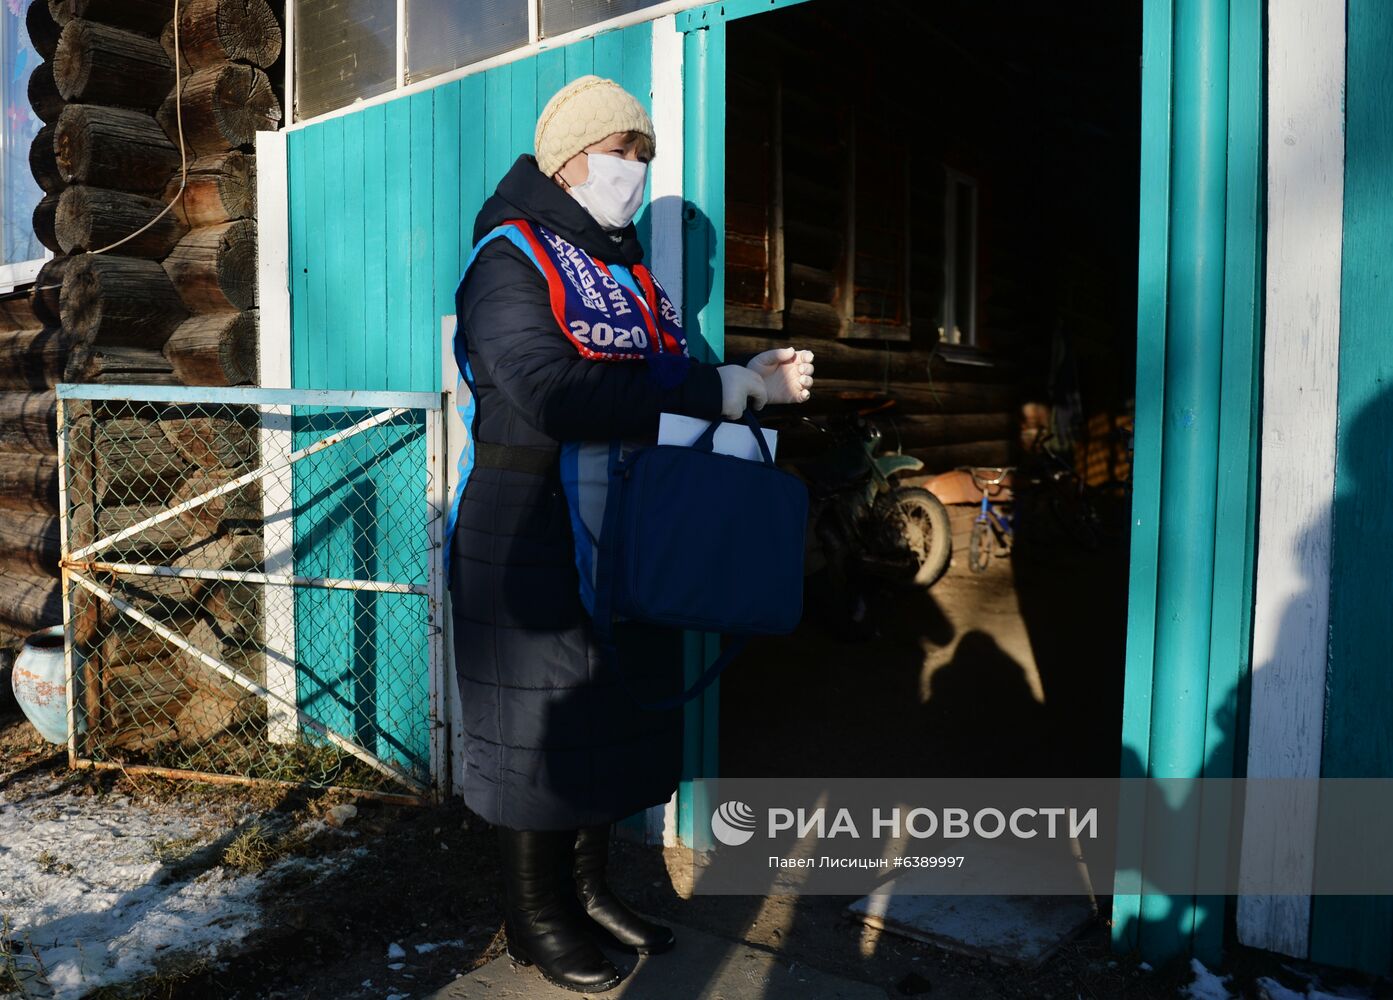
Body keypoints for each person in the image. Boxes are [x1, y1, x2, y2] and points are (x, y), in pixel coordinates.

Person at [449, 75, 815, 994]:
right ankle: (534, 917)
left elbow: (667, 382)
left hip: (621, 525)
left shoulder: (629, 277)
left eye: (643, 154)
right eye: (621, 151)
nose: (634, 170)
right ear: (568, 161)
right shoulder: (509, 258)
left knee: (604, 719)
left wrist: (744, 379)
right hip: (527, 525)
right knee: (537, 726)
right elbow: (552, 392)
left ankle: (587, 890)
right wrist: (715, 389)